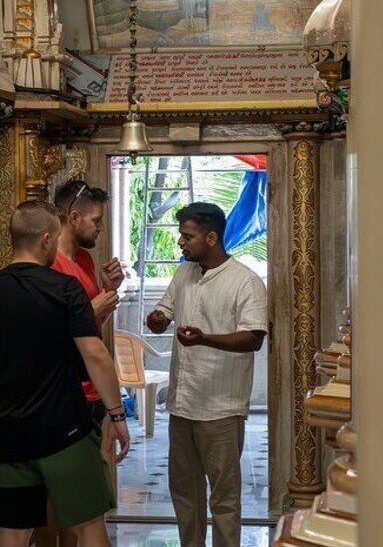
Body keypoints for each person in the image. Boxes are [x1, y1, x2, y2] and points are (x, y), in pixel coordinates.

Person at [0, 201, 131, 547]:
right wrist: (117, 414)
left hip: (7, 435)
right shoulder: (65, 290)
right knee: (89, 526)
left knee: (13, 531)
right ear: (47, 240)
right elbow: (94, 353)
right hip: (64, 431)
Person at [146, 202, 268, 547]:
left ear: (211, 237)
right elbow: (163, 312)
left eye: (188, 236)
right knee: (185, 493)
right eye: (181, 236)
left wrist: (205, 339)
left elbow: (253, 338)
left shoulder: (245, 282)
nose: (181, 243)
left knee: (224, 498)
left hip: (221, 408)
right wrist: (156, 319)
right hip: (182, 404)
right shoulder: (184, 273)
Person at [34, 180, 125, 547]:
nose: (100, 228)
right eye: (96, 220)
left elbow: (87, 334)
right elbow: (46, 334)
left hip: (90, 390)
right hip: (63, 392)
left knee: (85, 496)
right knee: (59, 499)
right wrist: (93, 309)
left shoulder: (84, 260)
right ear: (73, 217)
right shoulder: (49, 263)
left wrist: (105, 289)